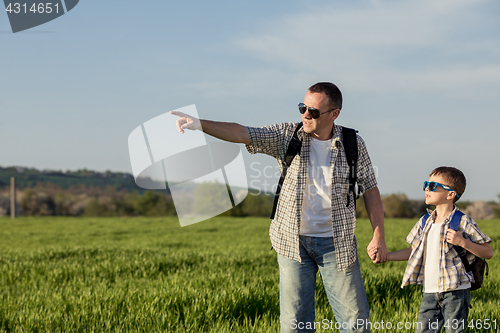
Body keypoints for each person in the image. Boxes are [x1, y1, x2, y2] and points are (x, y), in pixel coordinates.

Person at [171, 82, 387, 333]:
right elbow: (244, 133)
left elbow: (370, 189)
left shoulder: (353, 143)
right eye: (302, 107)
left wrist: (378, 235)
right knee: (295, 325)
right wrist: (200, 124)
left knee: (356, 324)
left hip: (337, 244)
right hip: (291, 243)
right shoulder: (286, 135)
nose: (306, 114)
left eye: (314, 111)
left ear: (334, 114)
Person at [369, 166, 493, 333]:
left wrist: (462, 242)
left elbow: (488, 252)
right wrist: (386, 256)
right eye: (426, 184)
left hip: (455, 291)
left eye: (433, 186)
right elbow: (413, 251)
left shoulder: (463, 221)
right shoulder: (425, 221)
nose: (427, 188)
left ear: (450, 194)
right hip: (429, 291)